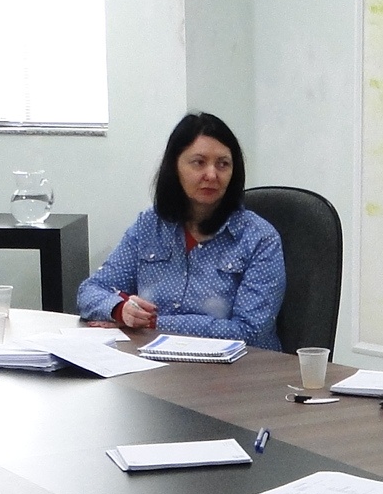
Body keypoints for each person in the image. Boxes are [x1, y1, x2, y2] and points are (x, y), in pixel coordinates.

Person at [76, 112, 285, 349]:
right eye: (199, 162)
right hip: (155, 366)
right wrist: (119, 310)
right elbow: (91, 291)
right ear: (174, 167)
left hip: (236, 374)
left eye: (223, 164)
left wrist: (154, 324)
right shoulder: (149, 225)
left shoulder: (259, 238)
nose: (212, 175)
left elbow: (250, 331)